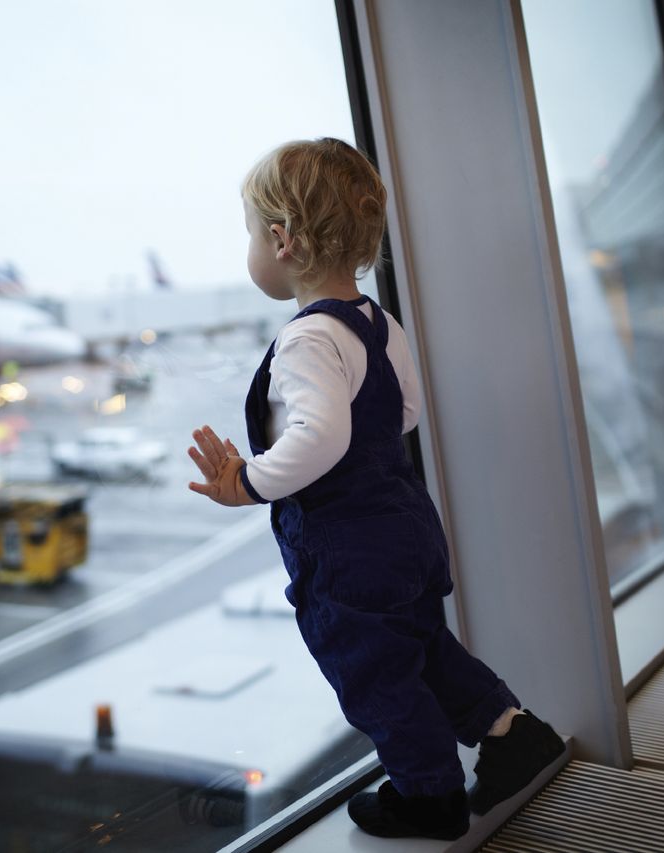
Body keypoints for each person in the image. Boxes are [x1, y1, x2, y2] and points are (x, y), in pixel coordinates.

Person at [186, 138, 566, 840]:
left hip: (350, 550)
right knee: (422, 647)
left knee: (373, 673)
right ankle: (515, 733)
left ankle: (429, 794)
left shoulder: (306, 339)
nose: (250, 247)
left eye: (249, 232)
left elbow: (322, 437)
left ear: (282, 240)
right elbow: (406, 412)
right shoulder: (375, 322)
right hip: (407, 526)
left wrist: (251, 480)